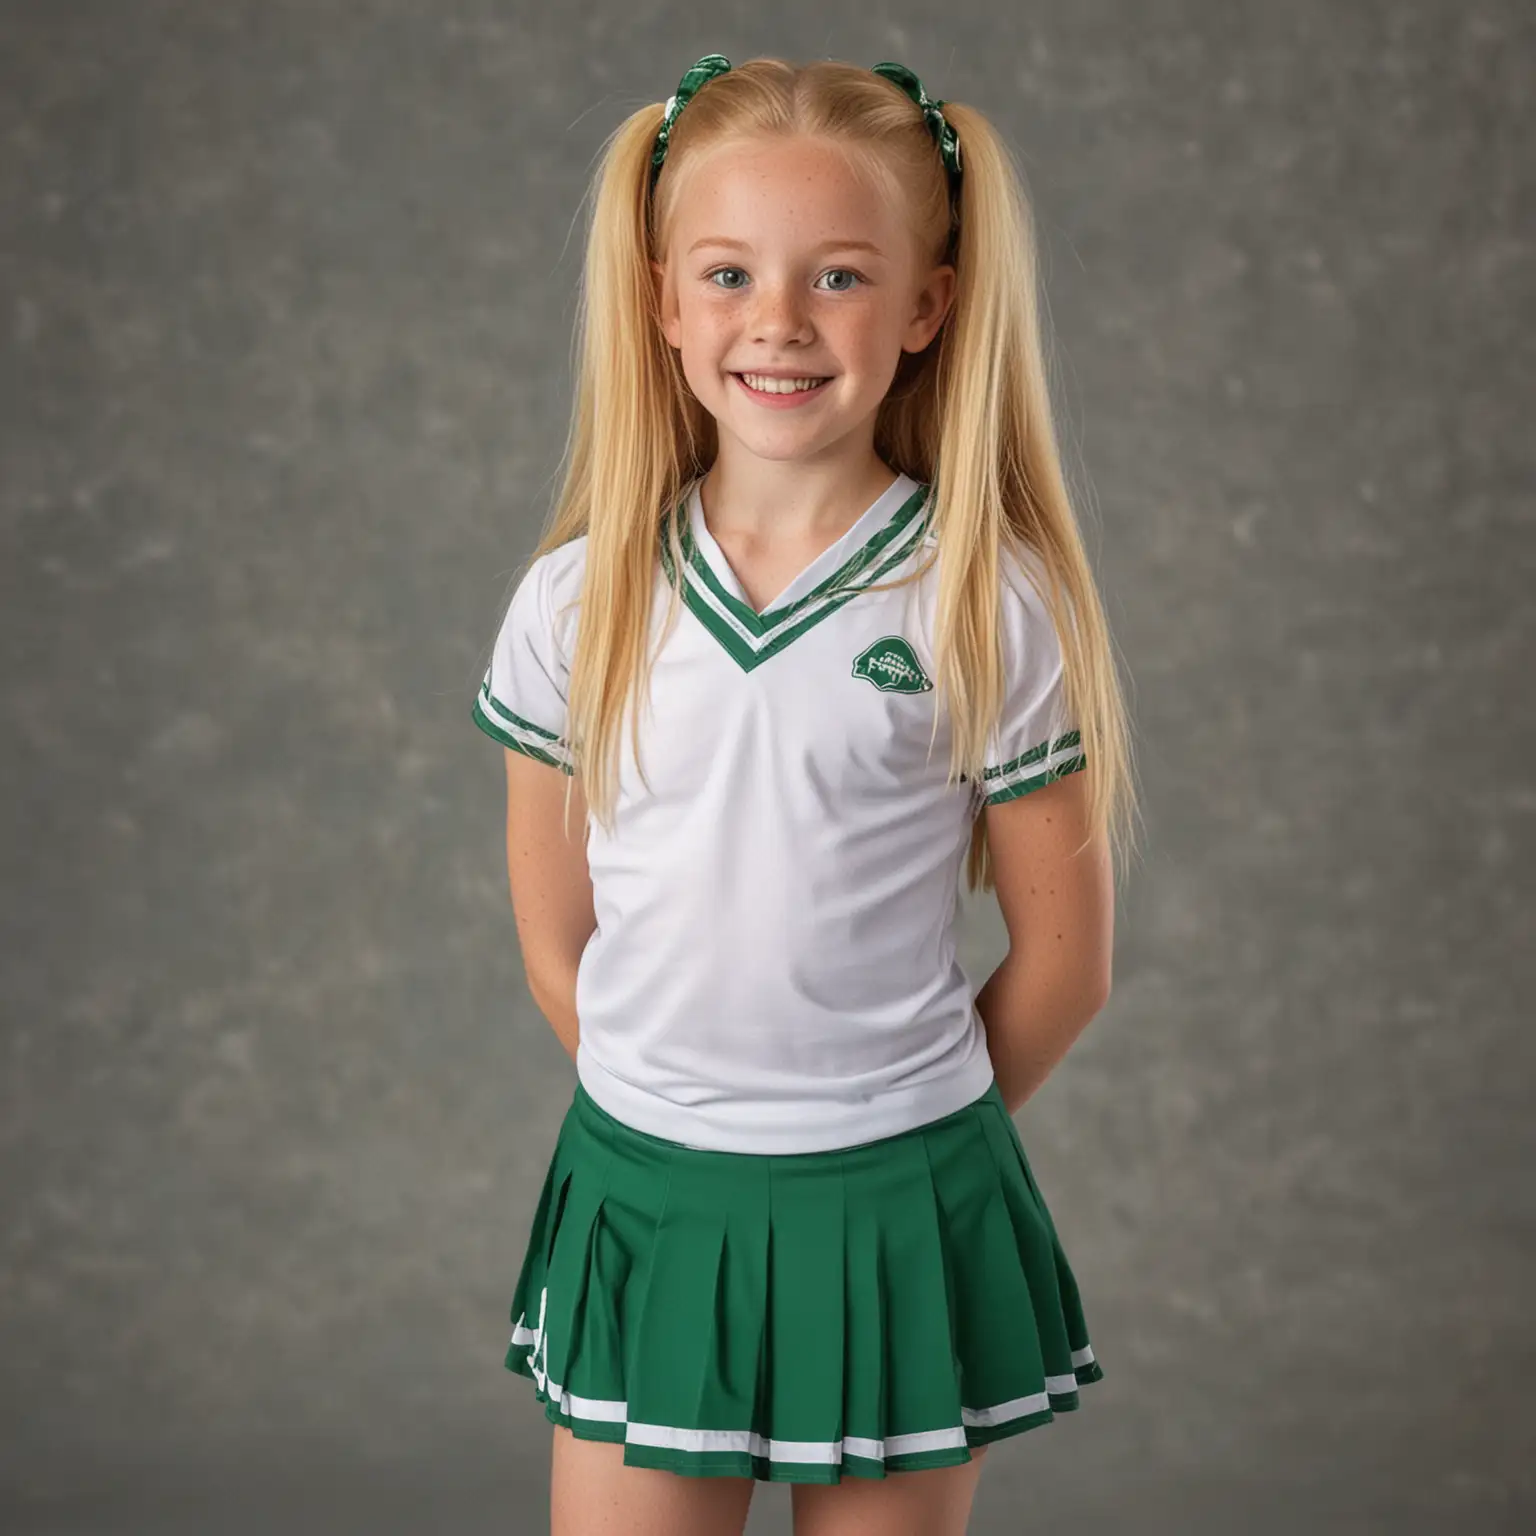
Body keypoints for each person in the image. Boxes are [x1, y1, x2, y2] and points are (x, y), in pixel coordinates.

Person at [471, 52, 1137, 1536]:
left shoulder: (987, 601)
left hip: (899, 1198)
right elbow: (553, 942)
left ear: (928, 305)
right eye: (727, 273)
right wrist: (693, 1104)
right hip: (648, 1188)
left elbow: (1068, 967)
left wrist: (884, 1126)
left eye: (838, 276)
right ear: (660, 302)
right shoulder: (578, 603)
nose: (776, 321)